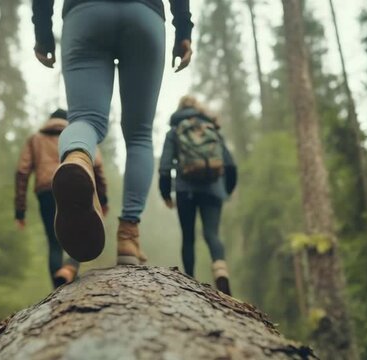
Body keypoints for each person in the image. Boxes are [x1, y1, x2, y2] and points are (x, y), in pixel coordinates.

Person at [32, 0, 193, 264]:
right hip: (145, 15)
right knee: (140, 134)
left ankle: (77, 159)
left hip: (84, 15)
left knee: (85, 120)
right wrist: (183, 30)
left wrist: (43, 32)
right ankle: (129, 236)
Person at [15, 109, 109, 287]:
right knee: (80, 232)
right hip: (76, 184)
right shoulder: (81, 137)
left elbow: (22, 171)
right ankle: (70, 266)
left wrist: (20, 210)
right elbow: (97, 167)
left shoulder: (36, 139)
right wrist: (103, 200)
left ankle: (59, 289)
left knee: (54, 241)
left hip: (46, 191)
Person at [158, 95, 237, 295]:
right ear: (198, 108)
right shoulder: (211, 128)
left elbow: (165, 167)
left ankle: (190, 281)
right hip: (213, 188)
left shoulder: (175, 130)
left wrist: (166, 193)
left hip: (186, 190)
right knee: (212, 234)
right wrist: (225, 191)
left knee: (188, 236)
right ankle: (220, 270)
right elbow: (230, 165)